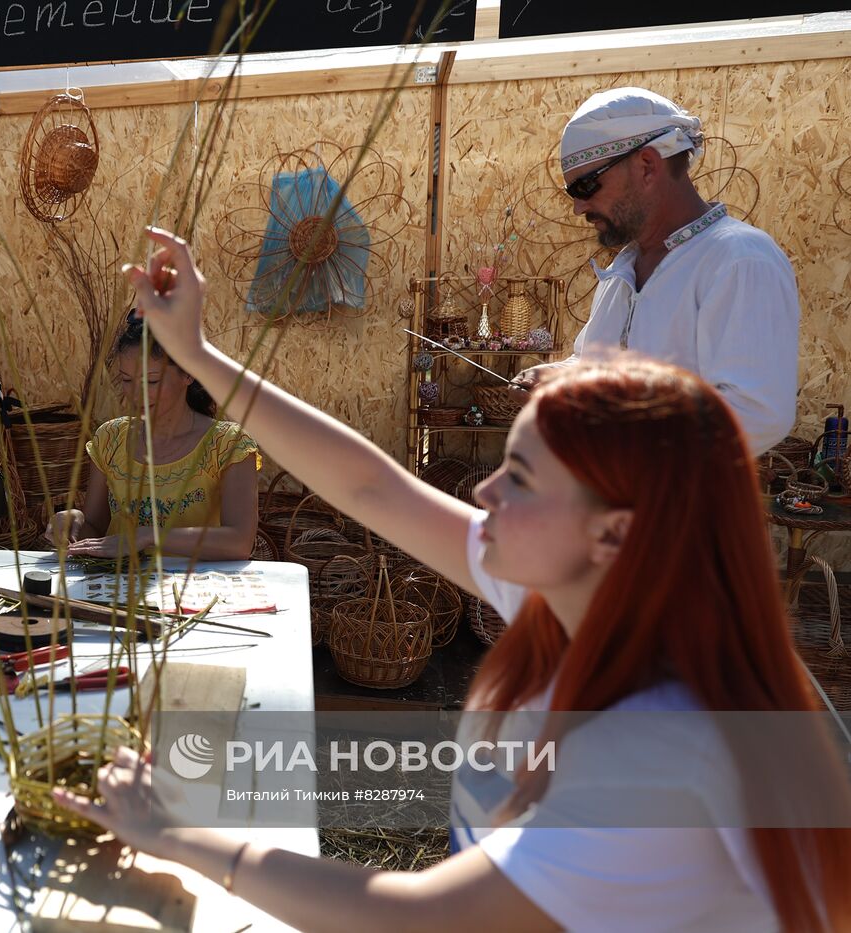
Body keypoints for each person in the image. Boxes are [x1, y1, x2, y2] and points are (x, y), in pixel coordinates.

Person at [54, 229, 851, 932]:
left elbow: (419, 917)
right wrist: (197, 355)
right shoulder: (576, 593)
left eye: (521, 479)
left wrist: (173, 834)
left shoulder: (656, 752)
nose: (483, 493)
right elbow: (374, 488)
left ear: (613, 531)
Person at [513, 87, 798, 455]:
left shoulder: (739, 259)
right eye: (573, 193)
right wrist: (558, 377)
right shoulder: (625, 269)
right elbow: (593, 365)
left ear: (647, 166)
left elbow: (757, 413)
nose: (579, 207)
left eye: (586, 185)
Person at [44, 314, 259, 560]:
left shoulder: (227, 445)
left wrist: (147, 536)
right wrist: (74, 522)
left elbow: (240, 542)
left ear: (188, 374)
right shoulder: (111, 439)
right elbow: (97, 529)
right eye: (126, 380)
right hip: (115, 590)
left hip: (194, 592)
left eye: (152, 381)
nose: (136, 394)